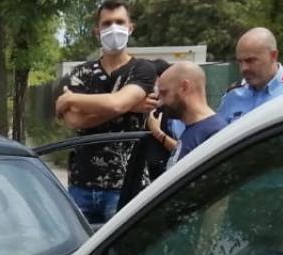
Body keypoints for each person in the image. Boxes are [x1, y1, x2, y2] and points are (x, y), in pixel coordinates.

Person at [54, 0, 160, 224]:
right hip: (81, 184)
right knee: (82, 253)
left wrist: (71, 98)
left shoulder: (143, 70)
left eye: (120, 22)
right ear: (97, 31)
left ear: (130, 28)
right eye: (107, 23)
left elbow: (116, 104)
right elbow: (74, 120)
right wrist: (130, 105)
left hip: (127, 184)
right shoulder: (82, 72)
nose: (114, 28)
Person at [218, 27, 283, 124]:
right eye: (240, 62)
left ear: (273, 56)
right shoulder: (233, 95)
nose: (244, 68)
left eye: (250, 61)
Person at [151, 61, 224, 167]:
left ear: (185, 87)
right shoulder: (194, 130)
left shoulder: (214, 134)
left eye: (164, 93)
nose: (159, 102)